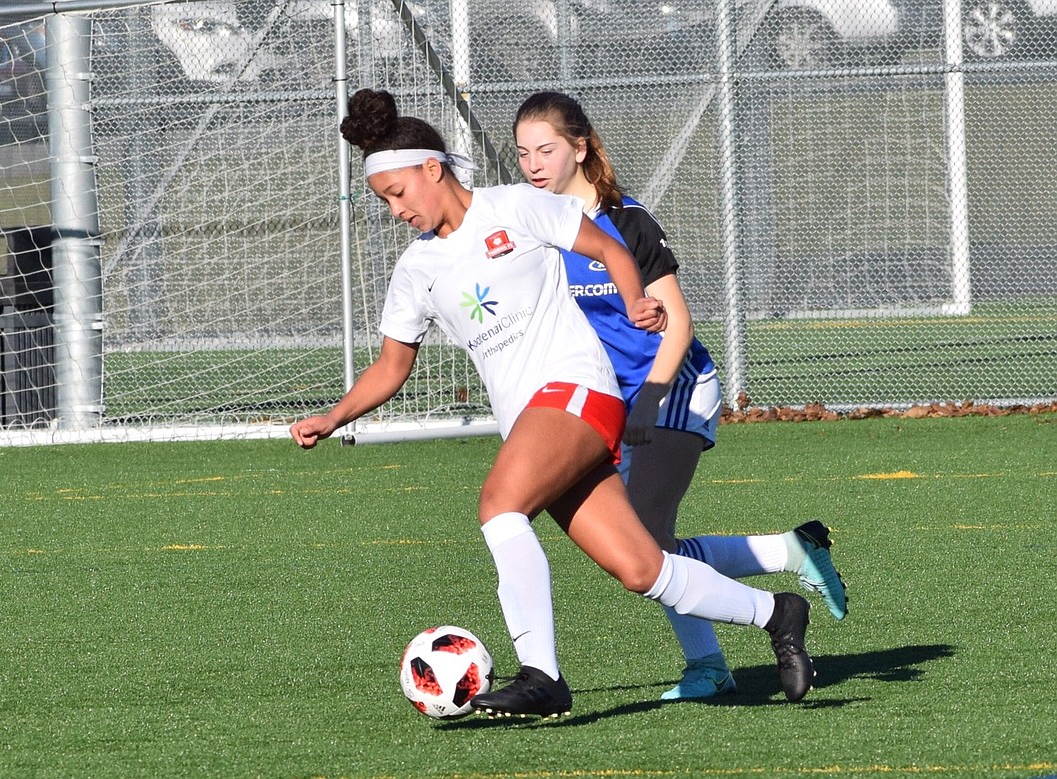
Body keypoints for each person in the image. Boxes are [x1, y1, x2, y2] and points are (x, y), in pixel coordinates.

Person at [291, 88, 815, 719]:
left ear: (433, 169)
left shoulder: (515, 206)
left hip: (578, 389)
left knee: (498, 506)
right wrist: (333, 415)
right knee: (642, 568)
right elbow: (391, 366)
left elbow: (610, 249)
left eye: (399, 192)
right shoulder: (415, 271)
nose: (396, 210)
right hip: (537, 424)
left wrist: (631, 301)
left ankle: (541, 674)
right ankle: (777, 612)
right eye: (385, 202)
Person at [513, 91, 847, 701]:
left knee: (644, 540)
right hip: (610, 400)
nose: (533, 163)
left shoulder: (628, 221)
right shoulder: (538, 229)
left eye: (547, 149)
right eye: (523, 153)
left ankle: (710, 664)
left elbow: (679, 324)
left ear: (580, 149)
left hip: (673, 388)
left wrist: (650, 398)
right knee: (646, 549)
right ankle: (786, 553)